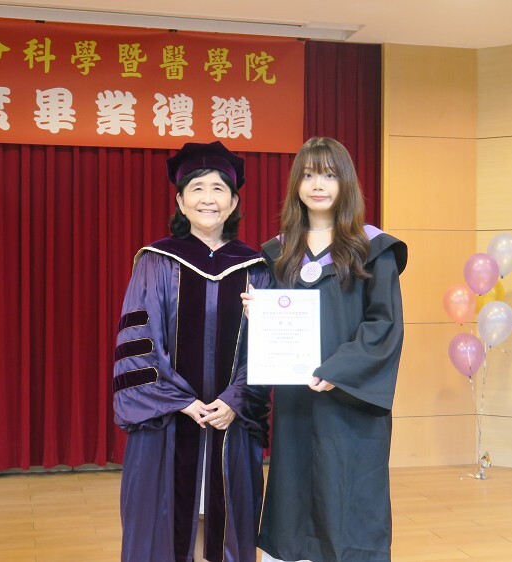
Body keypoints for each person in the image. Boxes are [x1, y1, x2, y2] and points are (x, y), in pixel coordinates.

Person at [112, 141, 271, 562]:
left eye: (219, 188)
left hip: (231, 423)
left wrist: (235, 399)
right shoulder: (156, 261)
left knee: (226, 521)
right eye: (196, 188)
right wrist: (181, 401)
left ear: (233, 202)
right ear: (181, 202)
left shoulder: (256, 268)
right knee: (163, 522)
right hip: (167, 422)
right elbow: (139, 344)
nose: (207, 198)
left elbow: (267, 348)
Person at [254, 137, 407, 562]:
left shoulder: (372, 249)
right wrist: (258, 313)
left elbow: (384, 324)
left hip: (350, 402)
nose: (317, 185)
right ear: (296, 184)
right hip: (297, 402)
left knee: (349, 494)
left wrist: (336, 370)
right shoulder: (279, 252)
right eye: (308, 175)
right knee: (295, 495)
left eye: (328, 175)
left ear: (346, 183)